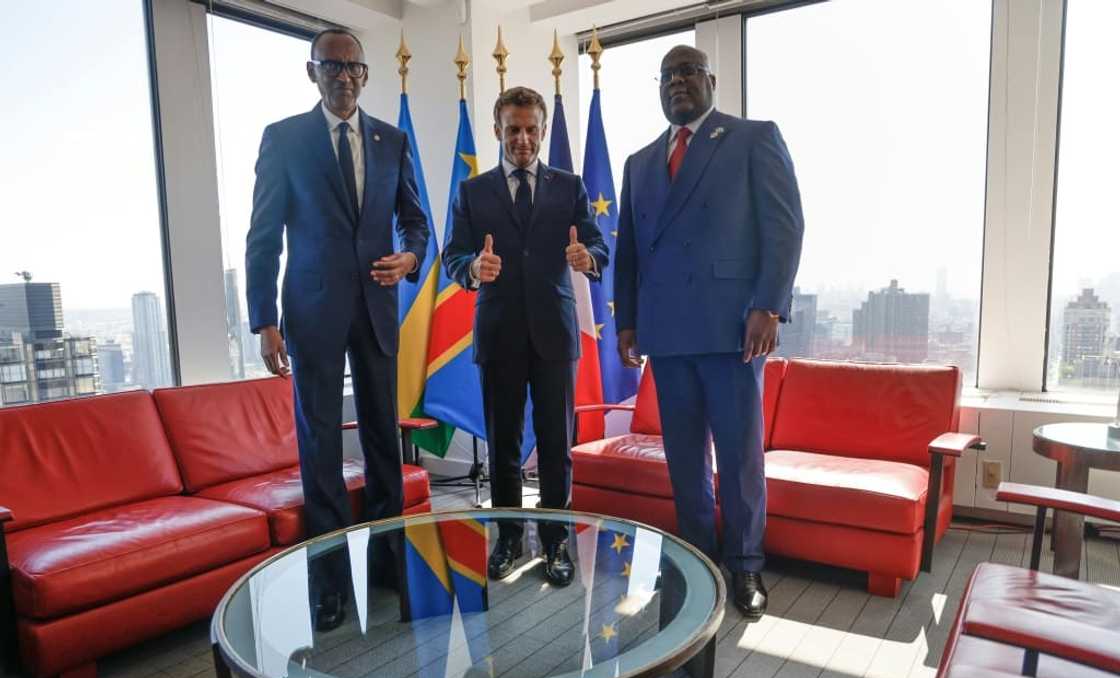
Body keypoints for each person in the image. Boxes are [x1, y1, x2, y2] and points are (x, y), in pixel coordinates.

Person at [245, 28, 429, 631]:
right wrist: (264, 322)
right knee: (319, 449)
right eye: (332, 66)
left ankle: (385, 568)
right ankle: (328, 585)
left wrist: (410, 258)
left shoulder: (392, 139)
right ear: (312, 72)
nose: (344, 76)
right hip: (312, 314)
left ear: (366, 74)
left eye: (353, 66)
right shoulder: (284, 139)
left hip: (377, 310)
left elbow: (415, 222)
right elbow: (263, 238)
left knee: (383, 442)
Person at [614, 45, 803, 620]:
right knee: (684, 460)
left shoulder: (752, 138)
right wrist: (627, 321)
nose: (677, 82)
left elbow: (785, 225)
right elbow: (628, 253)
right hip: (667, 336)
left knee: (740, 458)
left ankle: (745, 566)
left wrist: (768, 306)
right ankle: (697, 561)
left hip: (732, 330)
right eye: (667, 75)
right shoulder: (639, 162)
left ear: (711, 80)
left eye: (688, 71)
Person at [444, 86, 609, 587]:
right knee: (504, 446)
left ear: (541, 130)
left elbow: (597, 243)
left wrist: (589, 259)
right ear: (498, 130)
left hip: (555, 335)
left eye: (531, 129)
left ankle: (557, 542)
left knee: (556, 446)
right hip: (499, 334)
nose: (523, 139)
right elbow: (453, 258)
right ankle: (510, 539)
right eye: (513, 129)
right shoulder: (474, 192)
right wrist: (474, 267)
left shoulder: (570, 186)